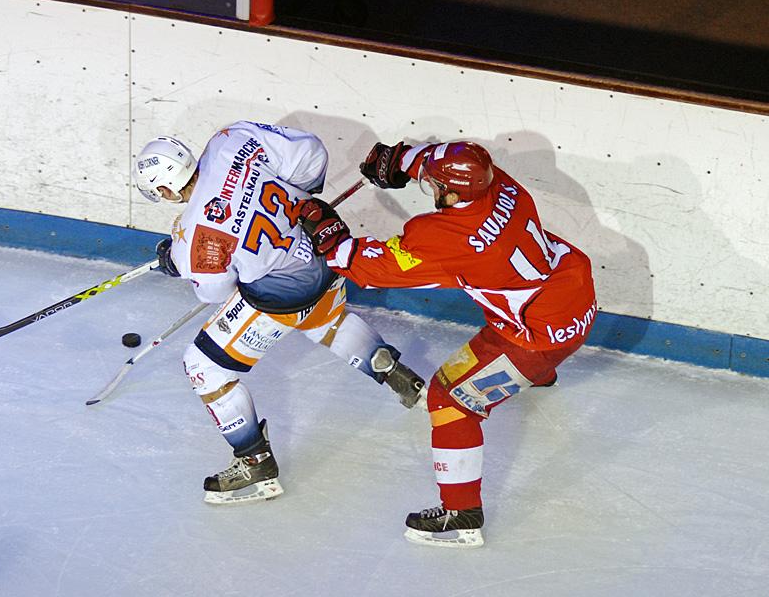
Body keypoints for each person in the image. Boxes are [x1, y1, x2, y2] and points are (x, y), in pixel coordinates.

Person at [298, 140, 597, 547]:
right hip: (574, 294)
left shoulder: (443, 235)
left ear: (453, 194)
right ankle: (539, 374)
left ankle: (461, 516)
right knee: (501, 301)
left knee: (448, 399)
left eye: (434, 186)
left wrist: (332, 240)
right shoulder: (501, 186)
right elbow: (450, 160)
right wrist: (402, 161)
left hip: (537, 336)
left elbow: (372, 269)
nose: (431, 188)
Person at [132, 121, 426, 505]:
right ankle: (394, 373)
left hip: (284, 296)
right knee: (327, 320)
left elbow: (215, 291)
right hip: (324, 255)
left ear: (167, 189)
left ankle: (255, 464)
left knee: (203, 368)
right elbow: (312, 154)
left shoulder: (194, 235)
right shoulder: (231, 141)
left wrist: (179, 261)